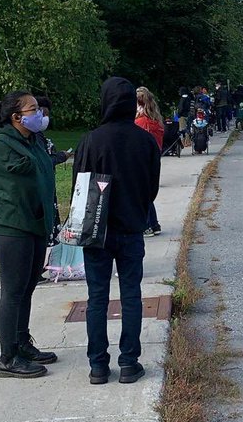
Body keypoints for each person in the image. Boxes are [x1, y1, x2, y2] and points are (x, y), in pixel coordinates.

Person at [73, 76, 160, 386]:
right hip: (131, 228)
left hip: (97, 230)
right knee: (131, 296)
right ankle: (129, 361)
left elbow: (79, 188)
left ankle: (98, 365)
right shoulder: (145, 140)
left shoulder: (90, 140)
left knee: (96, 298)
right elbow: (152, 188)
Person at [0, 91, 58, 377]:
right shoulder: (2, 145)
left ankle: (22, 342)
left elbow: (44, 167)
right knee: (13, 292)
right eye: (33, 109)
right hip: (13, 228)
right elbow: (24, 175)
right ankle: (8, 357)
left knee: (27, 288)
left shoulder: (31, 140)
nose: (39, 114)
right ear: (17, 117)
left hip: (35, 226)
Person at [36, 94, 72, 251]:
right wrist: (61, 156)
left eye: (47, 114)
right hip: (40, 189)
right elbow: (41, 163)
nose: (45, 118)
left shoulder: (39, 136)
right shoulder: (33, 138)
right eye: (42, 113)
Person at [135, 86, 163, 236]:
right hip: (154, 157)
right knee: (147, 192)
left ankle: (146, 225)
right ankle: (154, 223)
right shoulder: (156, 121)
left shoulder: (140, 122)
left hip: (141, 160)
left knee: (140, 193)